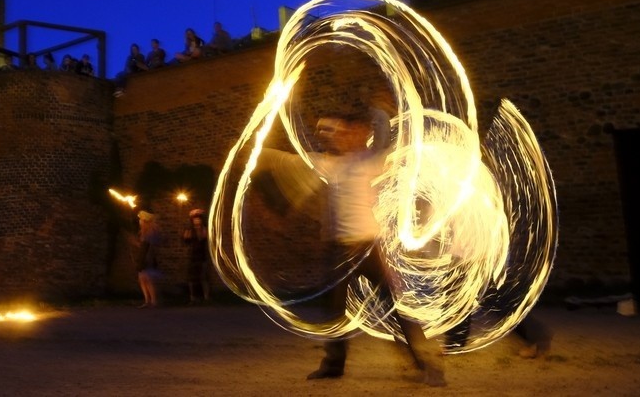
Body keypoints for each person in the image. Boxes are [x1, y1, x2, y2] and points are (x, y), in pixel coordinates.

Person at [256, 114, 446, 387]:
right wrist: (259, 152)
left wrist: (379, 113)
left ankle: (426, 361)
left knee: (394, 305)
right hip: (337, 249)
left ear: (351, 132)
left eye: (334, 130)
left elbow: (385, 142)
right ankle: (333, 365)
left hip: (367, 247)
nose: (328, 135)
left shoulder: (368, 160)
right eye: (323, 131)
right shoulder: (329, 164)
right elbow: (290, 161)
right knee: (333, 310)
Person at [182, 209, 210, 304]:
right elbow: (186, 241)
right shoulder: (190, 230)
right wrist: (187, 234)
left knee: (203, 277)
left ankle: (206, 297)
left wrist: (201, 230)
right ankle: (192, 297)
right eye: (195, 219)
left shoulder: (204, 229)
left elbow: (204, 238)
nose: (197, 221)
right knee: (191, 278)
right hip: (192, 256)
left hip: (202, 256)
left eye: (198, 219)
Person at [135, 211, 163, 308]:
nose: (139, 221)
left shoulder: (151, 231)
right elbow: (142, 246)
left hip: (148, 257)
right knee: (141, 279)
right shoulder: (143, 232)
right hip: (142, 256)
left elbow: (151, 246)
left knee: (148, 280)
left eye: (141, 219)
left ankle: (154, 301)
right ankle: (147, 301)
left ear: (145, 221)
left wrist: (149, 258)